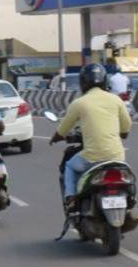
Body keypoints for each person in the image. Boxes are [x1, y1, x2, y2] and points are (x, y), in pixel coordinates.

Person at [51, 64, 132, 211]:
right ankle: (130, 202)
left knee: (70, 166)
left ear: (83, 82)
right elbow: (126, 127)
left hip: (92, 157)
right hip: (116, 156)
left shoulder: (79, 103)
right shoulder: (116, 100)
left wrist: (55, 138)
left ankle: (71, 198)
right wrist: (123, 133)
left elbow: (63, 129)